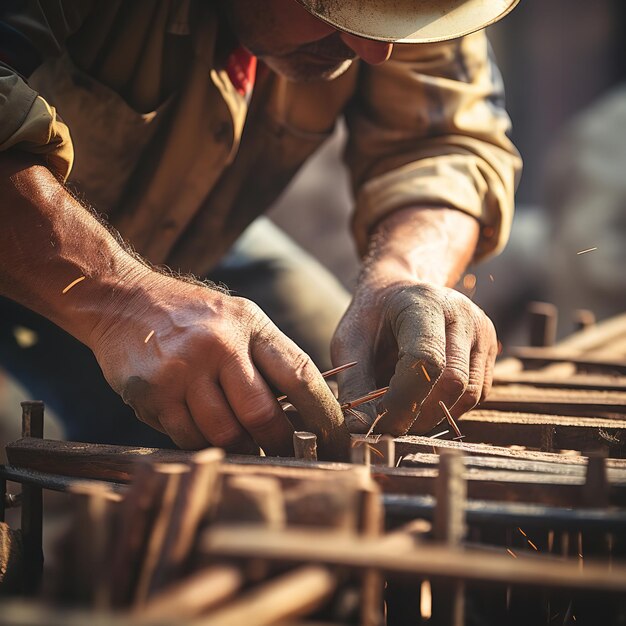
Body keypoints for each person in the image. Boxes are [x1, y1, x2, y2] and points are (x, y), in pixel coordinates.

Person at [0, 0, 521, 459]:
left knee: (334, 384)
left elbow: (448, 143)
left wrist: (402, 276)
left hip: (189, 249)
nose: (373, 50)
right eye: (332, 7)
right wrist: (120, 302)